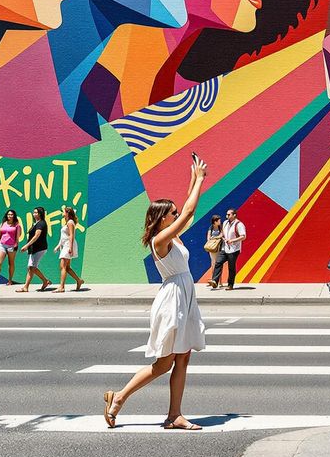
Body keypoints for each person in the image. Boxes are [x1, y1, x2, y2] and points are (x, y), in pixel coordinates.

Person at [104, 156, 207, 430]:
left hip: (184, 295)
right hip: (173, 299)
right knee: (164, 364)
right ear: (162, 219)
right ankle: (118, 398)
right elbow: (186, 214)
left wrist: (193, 182)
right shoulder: (159, 240)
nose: (176, 215)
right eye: (170, 213)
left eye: (174, 212)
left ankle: (175, 415)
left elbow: (187, 211)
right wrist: (198, 180)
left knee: (183, 357)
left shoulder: (172, 236)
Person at [209, 208, 246, 291]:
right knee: (218, 262)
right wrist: (220, 237)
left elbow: (243, 236)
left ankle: (230, 285)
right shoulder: (225, 223)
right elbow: (223, 233)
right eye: (227, 214)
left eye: (229, 215)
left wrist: (232, 240)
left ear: (234, 215)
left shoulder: (239, 224)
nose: (227, 216)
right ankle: (215, 281)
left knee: (231, 267)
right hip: (224, 248)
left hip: (234, 249)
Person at [17, 207, 52, 292]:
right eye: (34, 212)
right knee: (31, 267)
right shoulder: (36, 223)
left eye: (36, 212)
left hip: (39, 248)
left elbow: (37, 236)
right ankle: (45, 281)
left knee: (31, 267)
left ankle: (26, 287)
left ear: (40, 214)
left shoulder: (41, 224)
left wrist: (26, 246)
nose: (34, 214)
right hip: (35, 248)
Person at [54, 206, 83, 292]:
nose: (62, 213)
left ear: (67, 213)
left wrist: (70, 247)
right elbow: (63, 236)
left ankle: (61, 287)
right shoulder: (67, 222)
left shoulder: (70, 222)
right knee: (67, 267)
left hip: (68, 245)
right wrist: (58, 245)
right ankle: (79, 280)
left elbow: (71, 235)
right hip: (65, 245)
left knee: (62, 266)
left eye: (64, 211)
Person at [0, 210, 21, 287]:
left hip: (11, 245)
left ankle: (10, 280)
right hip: (2, 244)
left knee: (11, 263)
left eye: (11, 214)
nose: (9, 216)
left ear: (14, 216)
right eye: (8, 214)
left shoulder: (17, 225)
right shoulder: (3, 223)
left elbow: (18, 236)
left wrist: (16, 244)